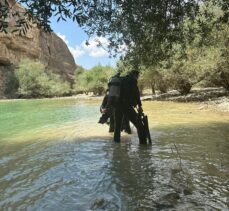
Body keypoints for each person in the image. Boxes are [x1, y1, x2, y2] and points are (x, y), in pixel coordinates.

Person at [113, 70, 146, 144]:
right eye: (137, 76)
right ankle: (143, 146)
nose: (137, 78)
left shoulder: (121, 79)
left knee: (117, 127)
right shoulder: (132, 80)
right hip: (126, 105)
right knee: (139, 125)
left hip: (117, 105)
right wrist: (139, 106)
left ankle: (116, 147)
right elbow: (136, 93)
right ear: (135, 75)